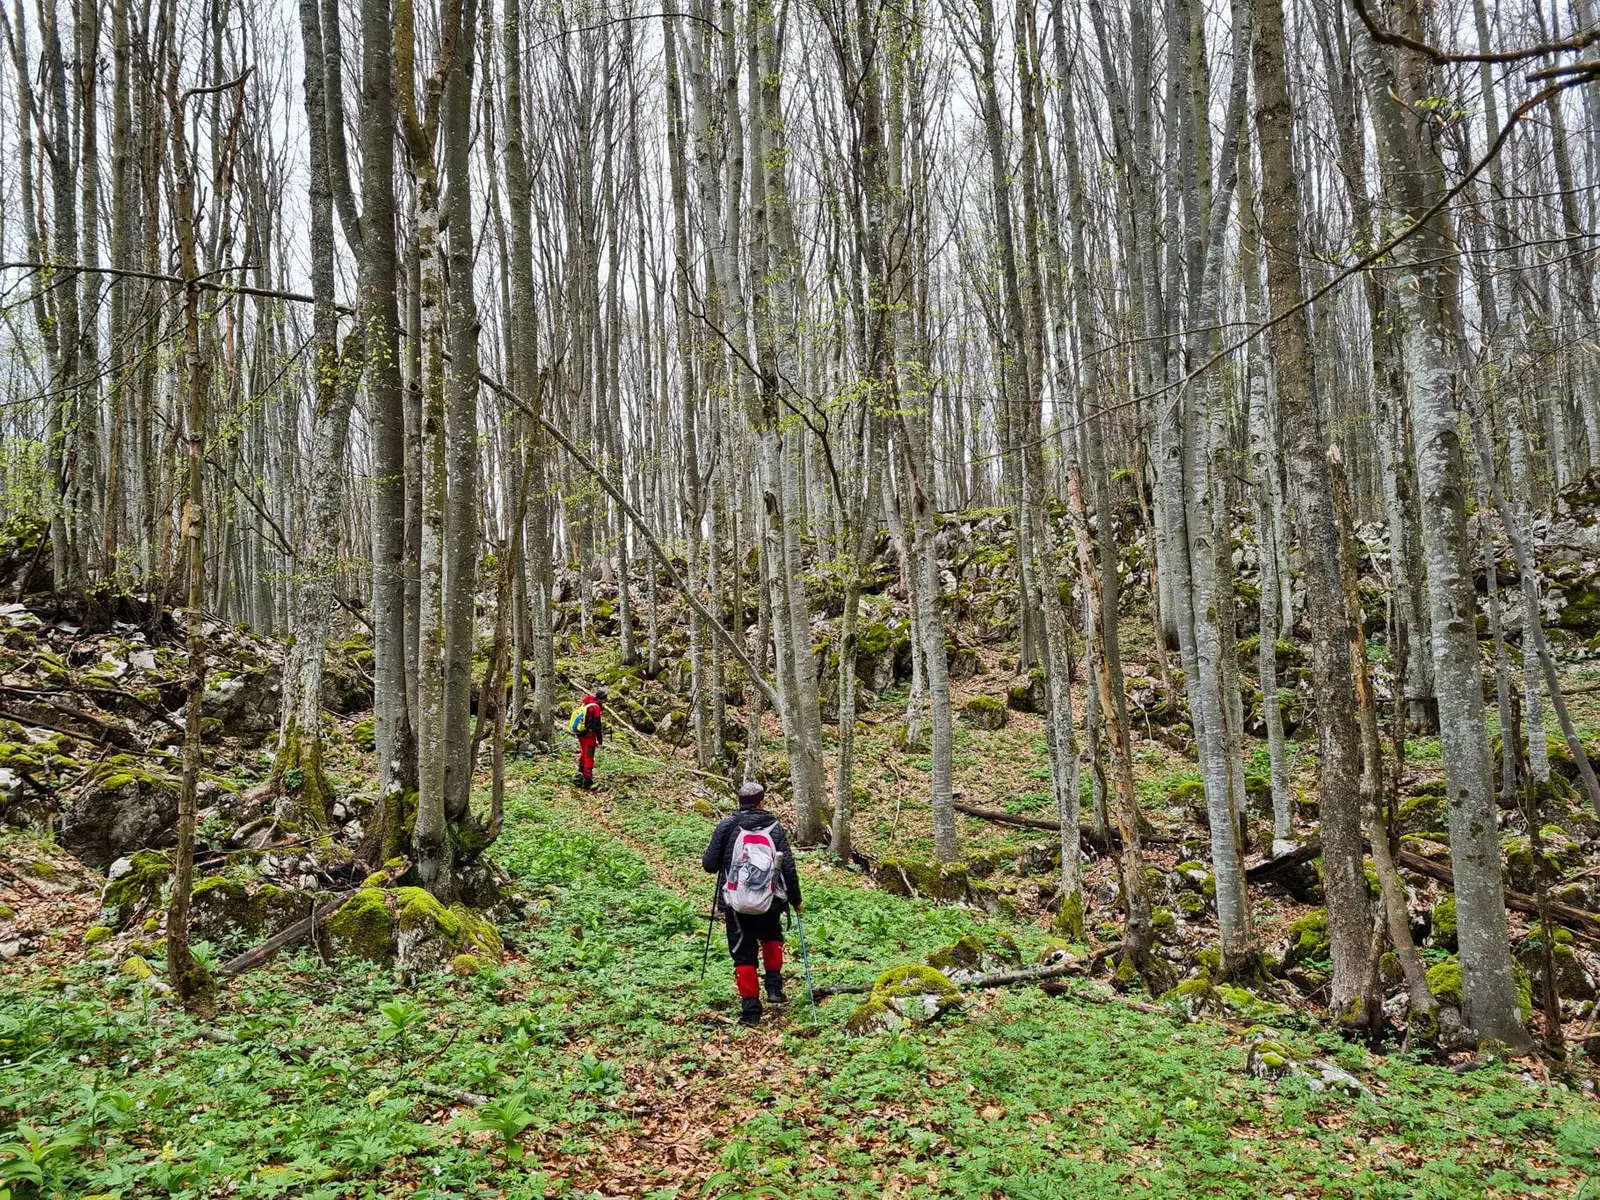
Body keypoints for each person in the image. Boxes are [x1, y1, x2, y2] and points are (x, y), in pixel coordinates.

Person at [702, 781, 803, 1026]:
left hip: (735, 903)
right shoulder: (775, 828)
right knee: (771, 938)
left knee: (743, 953)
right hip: (769, 901)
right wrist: (796, 900)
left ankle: (751, 1012)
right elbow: (787, 868)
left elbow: (709, 865)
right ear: (761, 801)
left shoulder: (727, 826)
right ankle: (774, 989)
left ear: (740, 802)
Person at [573, 687, 607, 789]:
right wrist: (600, 741)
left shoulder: (587, 703)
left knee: (584, 752)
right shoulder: (595, 707)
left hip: (580, 733)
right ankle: (587, 780)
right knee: (589, 756)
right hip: (589, 735)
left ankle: (580, 773)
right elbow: (597, 726)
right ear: (603, 698)